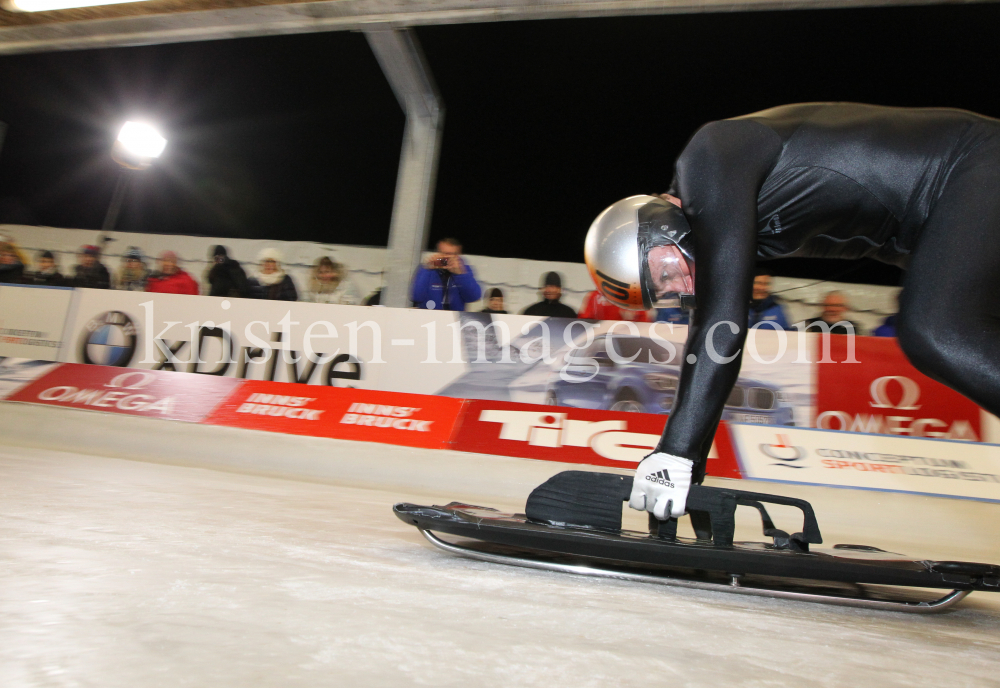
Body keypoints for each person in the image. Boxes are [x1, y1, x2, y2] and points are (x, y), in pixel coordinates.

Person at [583, 102, 1000, 523]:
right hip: (955, 208)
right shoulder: (744, 224)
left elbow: (720, 327)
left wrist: (675, 452)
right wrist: (689, 468)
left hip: (972, 166)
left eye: (666, 272)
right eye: (667, 293)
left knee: (934, 330)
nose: (682, 288)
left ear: (661, 223)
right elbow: (712, 335)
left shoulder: (707, 158)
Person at [411, 238, 481, 311]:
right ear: (437, 253)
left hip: (454, 318)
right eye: (442, 253)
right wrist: (426, 269)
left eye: (450, 254)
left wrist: (460, 275)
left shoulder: (464, 270)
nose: (445, 257)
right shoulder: (426, 269)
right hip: (429, 317)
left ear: (457, 256)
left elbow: (473, 297)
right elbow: (416, 297)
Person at [578, 289, 652, 322]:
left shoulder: (636, 297)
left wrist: (631, 321)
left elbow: (644, 326)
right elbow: (583, 322)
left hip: (625, 342)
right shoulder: (593, 296)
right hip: (599, 340)